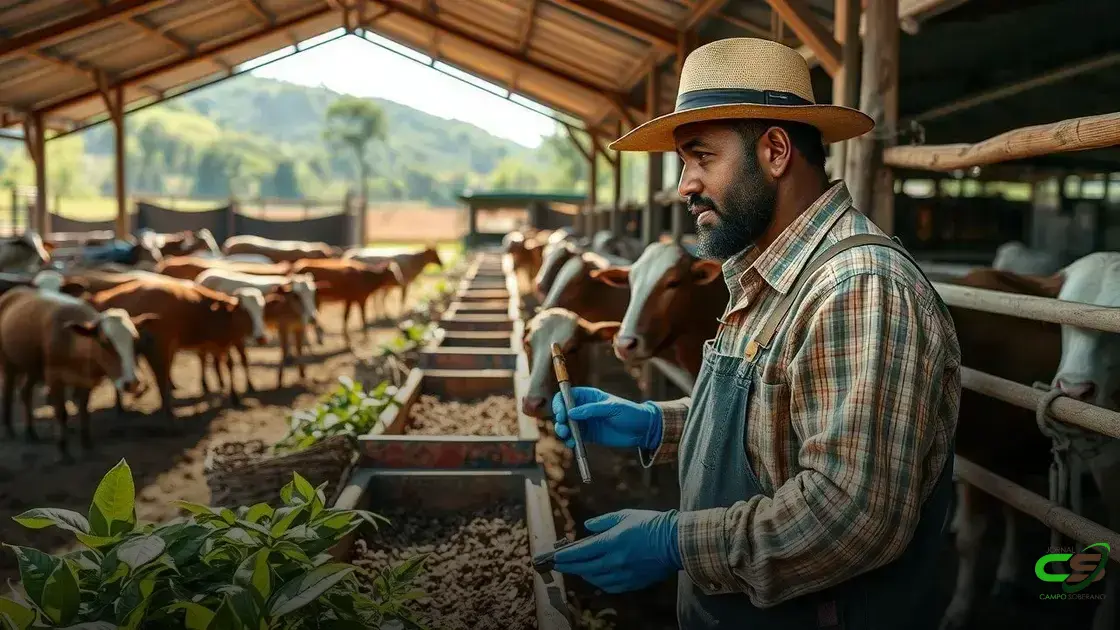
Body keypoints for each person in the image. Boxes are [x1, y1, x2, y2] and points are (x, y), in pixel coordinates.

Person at [550, 38, 962, 629]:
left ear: (774, 151)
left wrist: (676, 542)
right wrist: (656, 423)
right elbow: (776, 420)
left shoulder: (858, 287)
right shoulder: (765, 274)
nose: (685, 185)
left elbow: (851, 517)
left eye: (701, 158)